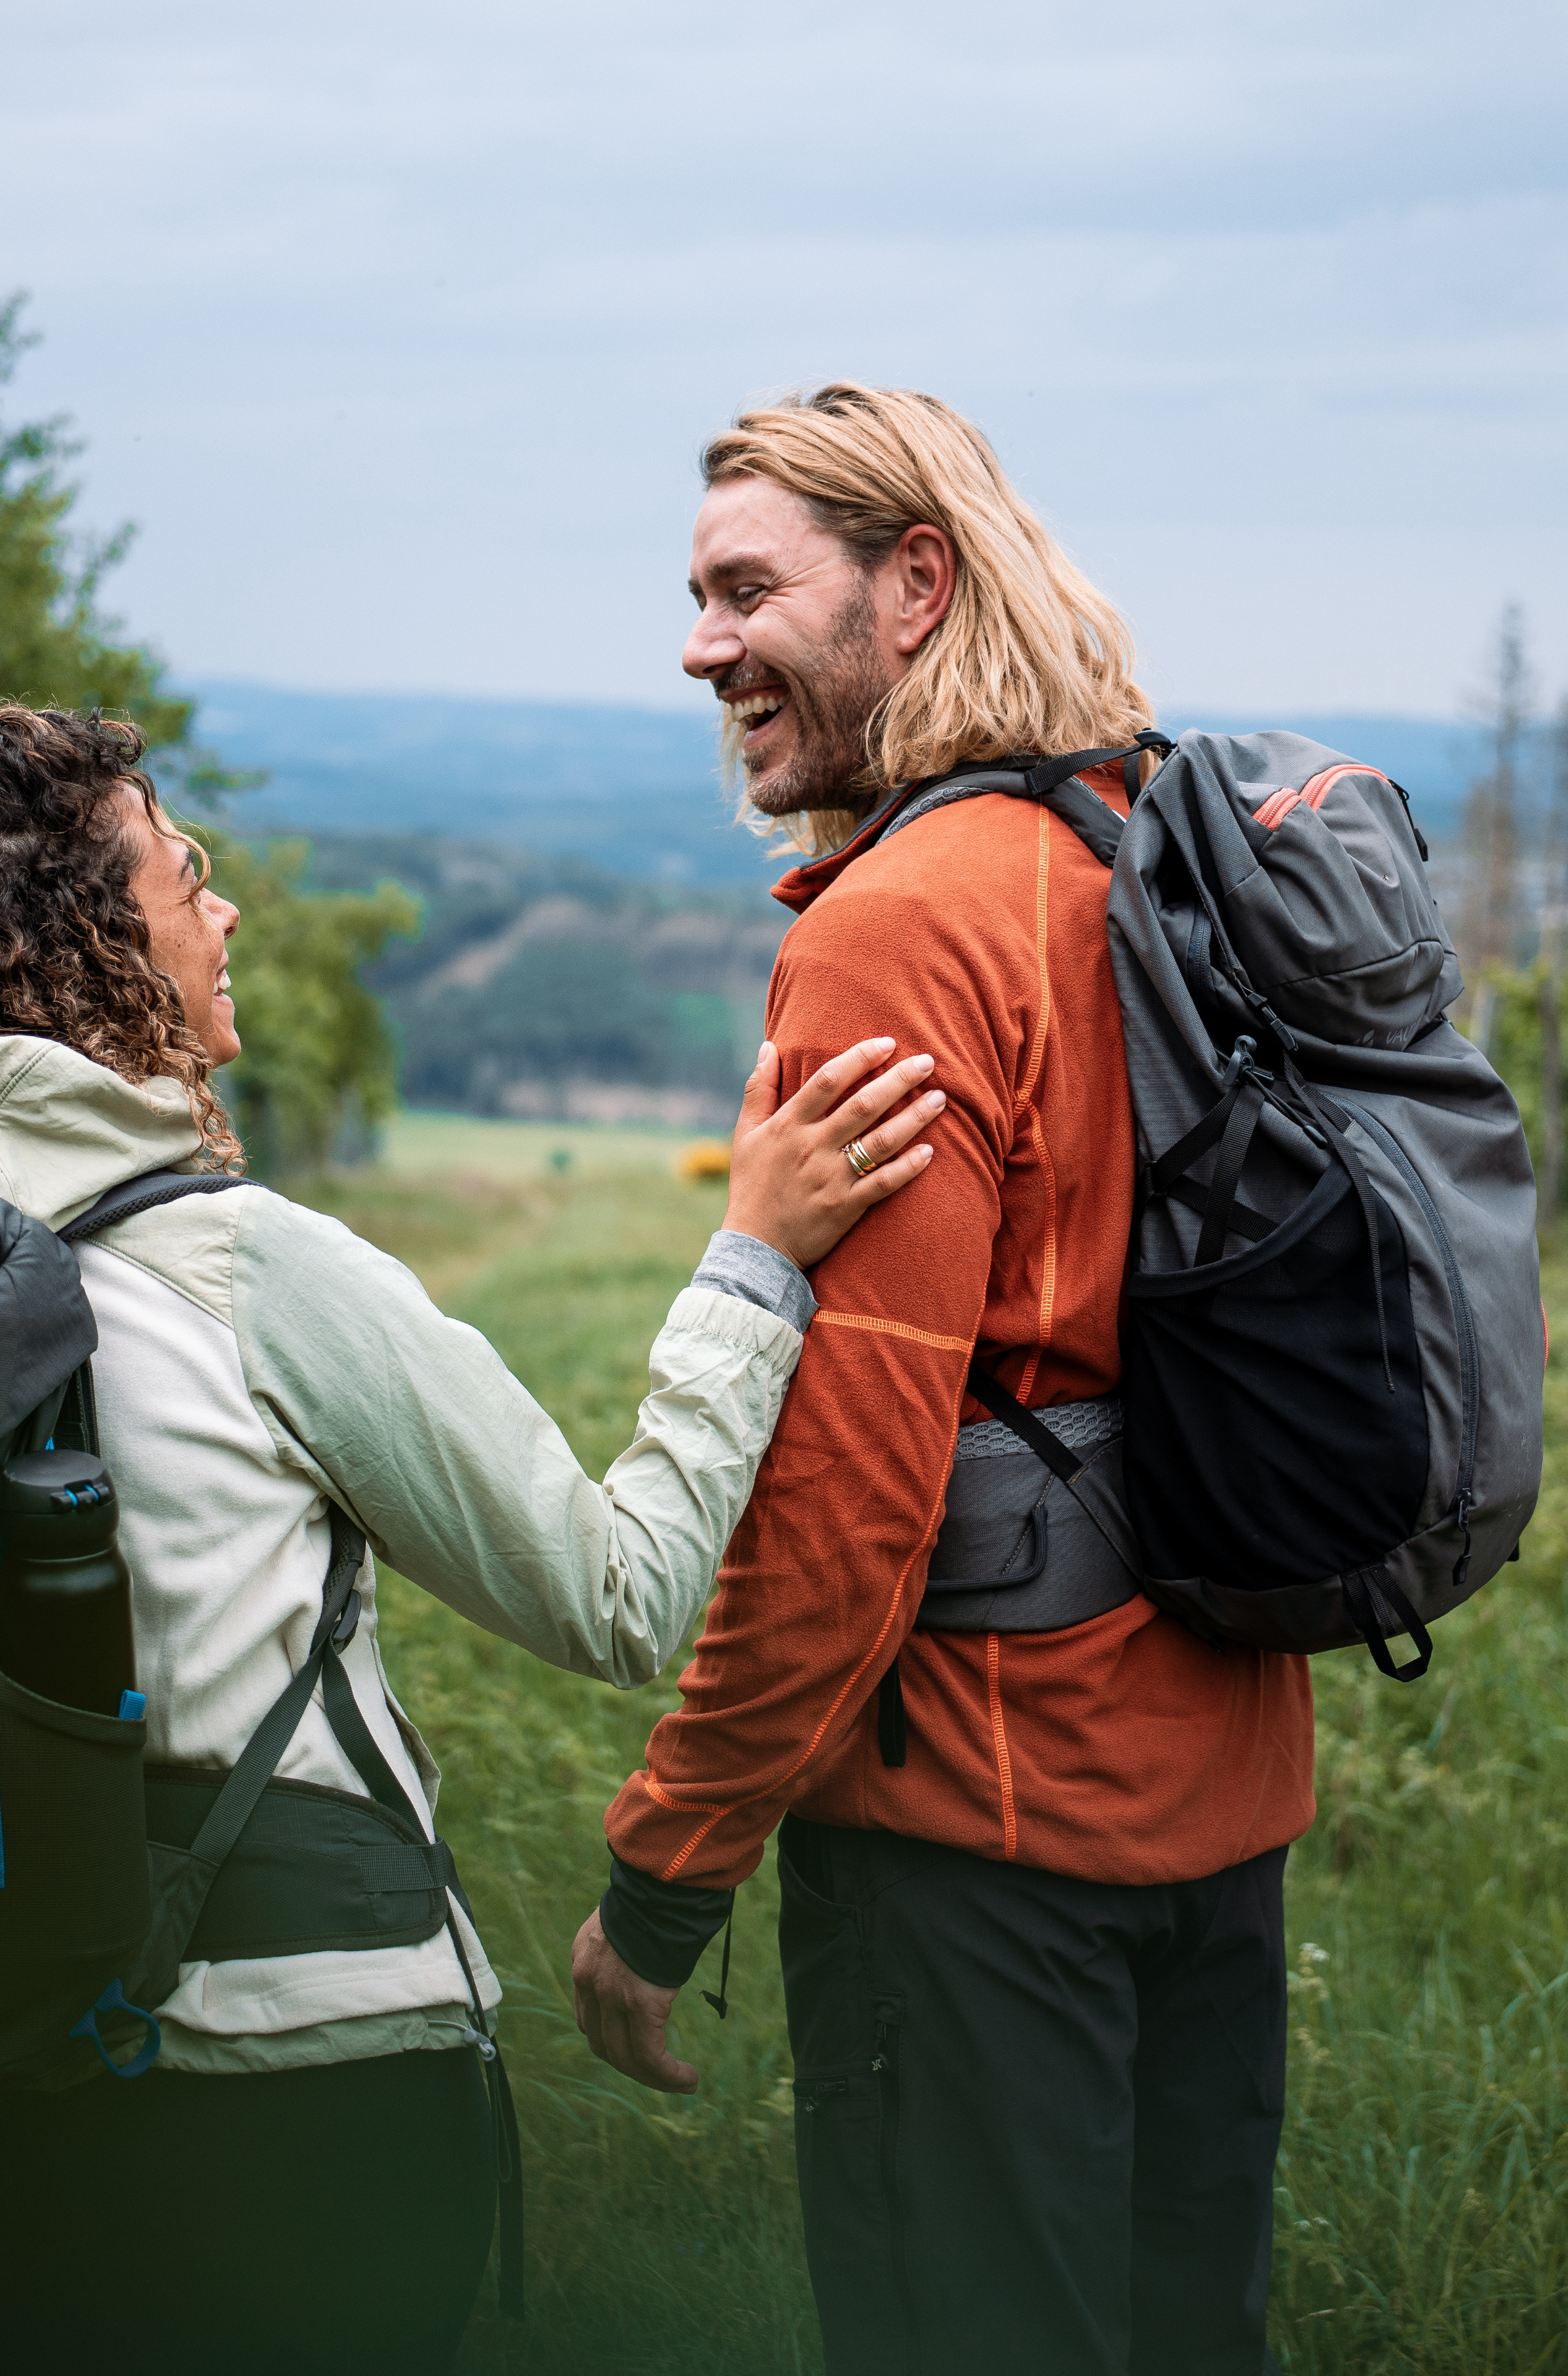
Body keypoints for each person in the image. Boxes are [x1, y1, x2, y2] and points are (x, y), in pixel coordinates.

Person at [0, 702, 940, 2372]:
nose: (223, 910)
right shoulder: (234, 1262)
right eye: (183, 871)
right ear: (79, 942)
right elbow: (615, 1591)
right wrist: (754, 1255)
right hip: (309, 2101)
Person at [566, 386, 1318, 2373]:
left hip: (981, 1844)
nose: (701, 644)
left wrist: (665, 1870)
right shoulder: (1167, 851)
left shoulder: (898, 930)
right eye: (696, 594)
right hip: (1224, 1805)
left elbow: (844, 1516)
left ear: (917, 583)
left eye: (747, 589)